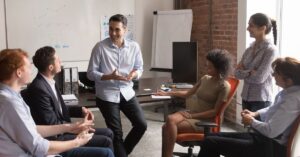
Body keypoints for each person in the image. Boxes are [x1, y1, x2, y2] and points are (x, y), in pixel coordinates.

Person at [0, 49, 114, 157]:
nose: (31, 70)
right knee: (106, 151)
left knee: (108, 138)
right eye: (28, 67)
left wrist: (71, 126)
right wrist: (77, 141)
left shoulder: (12, 97)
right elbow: (38, 146)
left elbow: (32, 129)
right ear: (19, 73)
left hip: (38, 147)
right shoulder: (10, 103)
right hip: (41, 148)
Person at [198, 57, 300, 157]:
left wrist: (251, 121)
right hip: (264, 139)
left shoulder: (292, 100)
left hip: (271, 147)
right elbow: (273, 108)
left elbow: (270, 131)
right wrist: (255, 113)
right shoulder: (288, 92)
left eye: (276, 73)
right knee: (211, 137)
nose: (273, 75)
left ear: (288, 80)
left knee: (210, 142)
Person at [87, 14, 147, 157]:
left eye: (117, 30)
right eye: (111, 29)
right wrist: (109, 77)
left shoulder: (134, 46)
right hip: (106, 94)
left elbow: (140, 68)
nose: (113, 33)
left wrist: (134, 74)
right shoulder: (100, 47)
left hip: (127, 91)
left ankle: (120, 153)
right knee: (116, 133)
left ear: (125, 30)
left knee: (141, 125)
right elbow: (90, 73)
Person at [156, 49, 233, 157]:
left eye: (210, 67)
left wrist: (192, 115)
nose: (207, 68)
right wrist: (167, 93)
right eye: (207, 65)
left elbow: (214, 112)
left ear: (219, 68)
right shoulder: (205, 78)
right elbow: (188, 93)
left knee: (167, 127)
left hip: (203, 121)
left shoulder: (224, 86)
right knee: (168, 121)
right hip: (191, 113)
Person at [235, 13, 277, 112]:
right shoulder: (249, 49)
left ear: (262, 28)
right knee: (247, 127)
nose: (247, 28)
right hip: (245, 96)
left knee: (257, 127)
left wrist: (244, 70)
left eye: (251, 25)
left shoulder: (270, 50)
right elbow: (236, 73)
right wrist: (250, 72)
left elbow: (259, 78)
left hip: (261, 100)